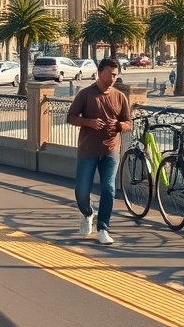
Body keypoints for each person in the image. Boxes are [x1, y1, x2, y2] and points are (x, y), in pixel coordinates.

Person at [67, 57, 131, 245]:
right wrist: (89, 122)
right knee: (81, 190)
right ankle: (87, 212)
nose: (113, 78)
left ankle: (103, 228)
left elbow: (128, 123)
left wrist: (119, 126)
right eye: (110, 74)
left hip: (111, 149)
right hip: (88, 150)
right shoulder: (85, 94)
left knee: (108, 189)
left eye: (115, 75)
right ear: (100, 72)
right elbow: (71, 117)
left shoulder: (120, 97)